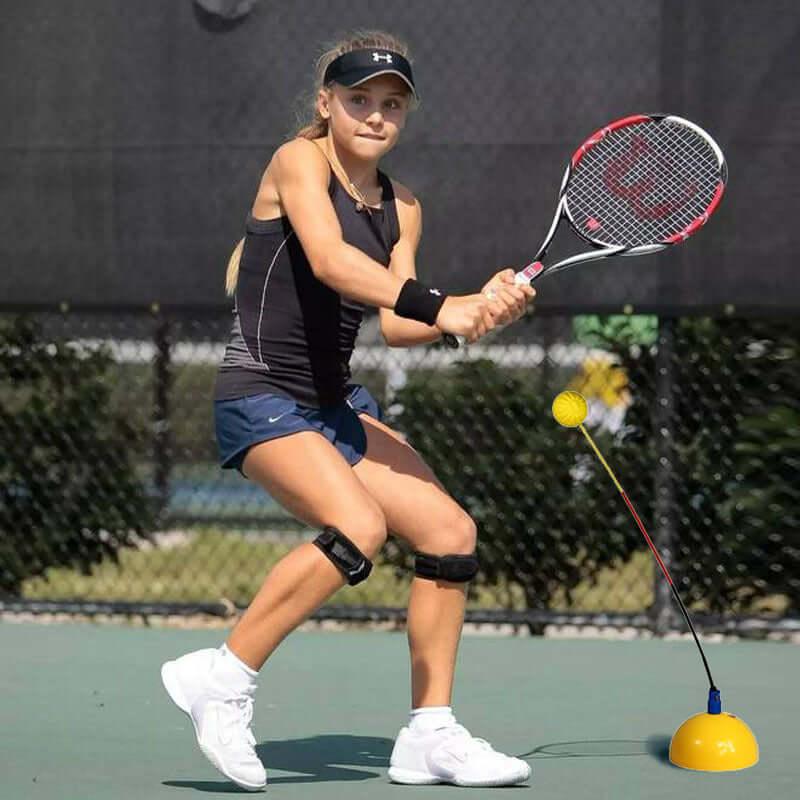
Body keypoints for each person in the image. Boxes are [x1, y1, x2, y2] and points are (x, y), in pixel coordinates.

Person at [160, 30, 535, 791]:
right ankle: (223, 680)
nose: (374, 115)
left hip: (332, 406)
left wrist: (480, 311)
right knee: (359, 528)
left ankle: (429, 734)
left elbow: (398, 322)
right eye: (358, 99)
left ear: (405, 115)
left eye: (390, 104)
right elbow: (331, 260)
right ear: (326, 103)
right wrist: (447, 305)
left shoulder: (404, 207)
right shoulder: (298, 162)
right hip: (259, 393)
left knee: (449, 532)